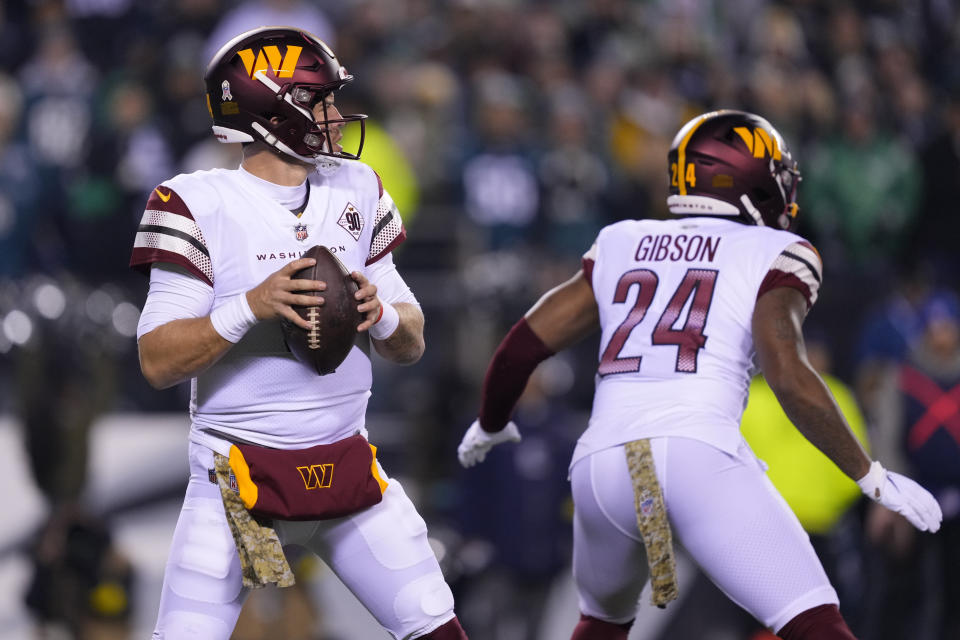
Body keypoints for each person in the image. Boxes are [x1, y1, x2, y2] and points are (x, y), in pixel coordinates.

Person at [456, 110, 942, 640]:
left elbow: (522, 346)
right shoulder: (775, 251)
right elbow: (787, 374)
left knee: (600, 626)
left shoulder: (623, 240)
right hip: (695, 456)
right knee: (817, 623)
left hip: (604, 466)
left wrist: (492, 419)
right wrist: (871, 476)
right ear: (744, 178)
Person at [130, 27, 467, 640]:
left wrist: (381, 314)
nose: (336, 116)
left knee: (438, 629)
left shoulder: (356, 187)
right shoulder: (198, 201)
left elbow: (412, 340)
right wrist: (250, 306)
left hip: (347, 464)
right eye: (320, 102)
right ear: (271, 111)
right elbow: (157, 361)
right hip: (234, 477)